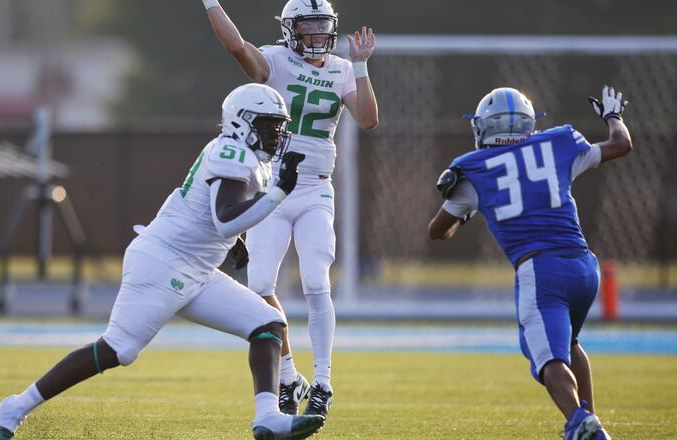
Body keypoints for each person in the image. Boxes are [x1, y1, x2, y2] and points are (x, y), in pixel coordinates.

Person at [0, 83, 327, 440]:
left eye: (279, 125)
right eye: (268, 125)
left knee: (268, 323)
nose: (277, 134)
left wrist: (235, 241)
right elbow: (225, 217)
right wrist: (278, 194)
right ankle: (14, 408)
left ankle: (268, 418)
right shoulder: (232, 152)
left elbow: (213, 214)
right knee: (119, 348)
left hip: (195, 266)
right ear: (242, 123)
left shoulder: (245, 156)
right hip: (165, 261)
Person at [203, 0, 379, 418]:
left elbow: (368, 119)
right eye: (309, 27)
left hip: (316, 189)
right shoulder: (276, 60)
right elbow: (234, 45)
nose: (318, 35)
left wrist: (361, 66)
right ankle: (287, 374)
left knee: (317, 281)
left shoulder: (340, 68)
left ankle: (322, 381)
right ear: (289, 30)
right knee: (261, 284)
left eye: (323, 26)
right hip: (274, 189)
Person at [428, 86, 630, 439]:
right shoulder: (558, 144)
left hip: (540, 270)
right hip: (584, 266)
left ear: (483, 127)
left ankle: (582, 425)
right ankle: (591, 418)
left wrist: (468, 210)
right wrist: (613, 116)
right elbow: (621, 144)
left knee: (549, 362)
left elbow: (436, 232)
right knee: (570, 344)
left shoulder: (472, 170)